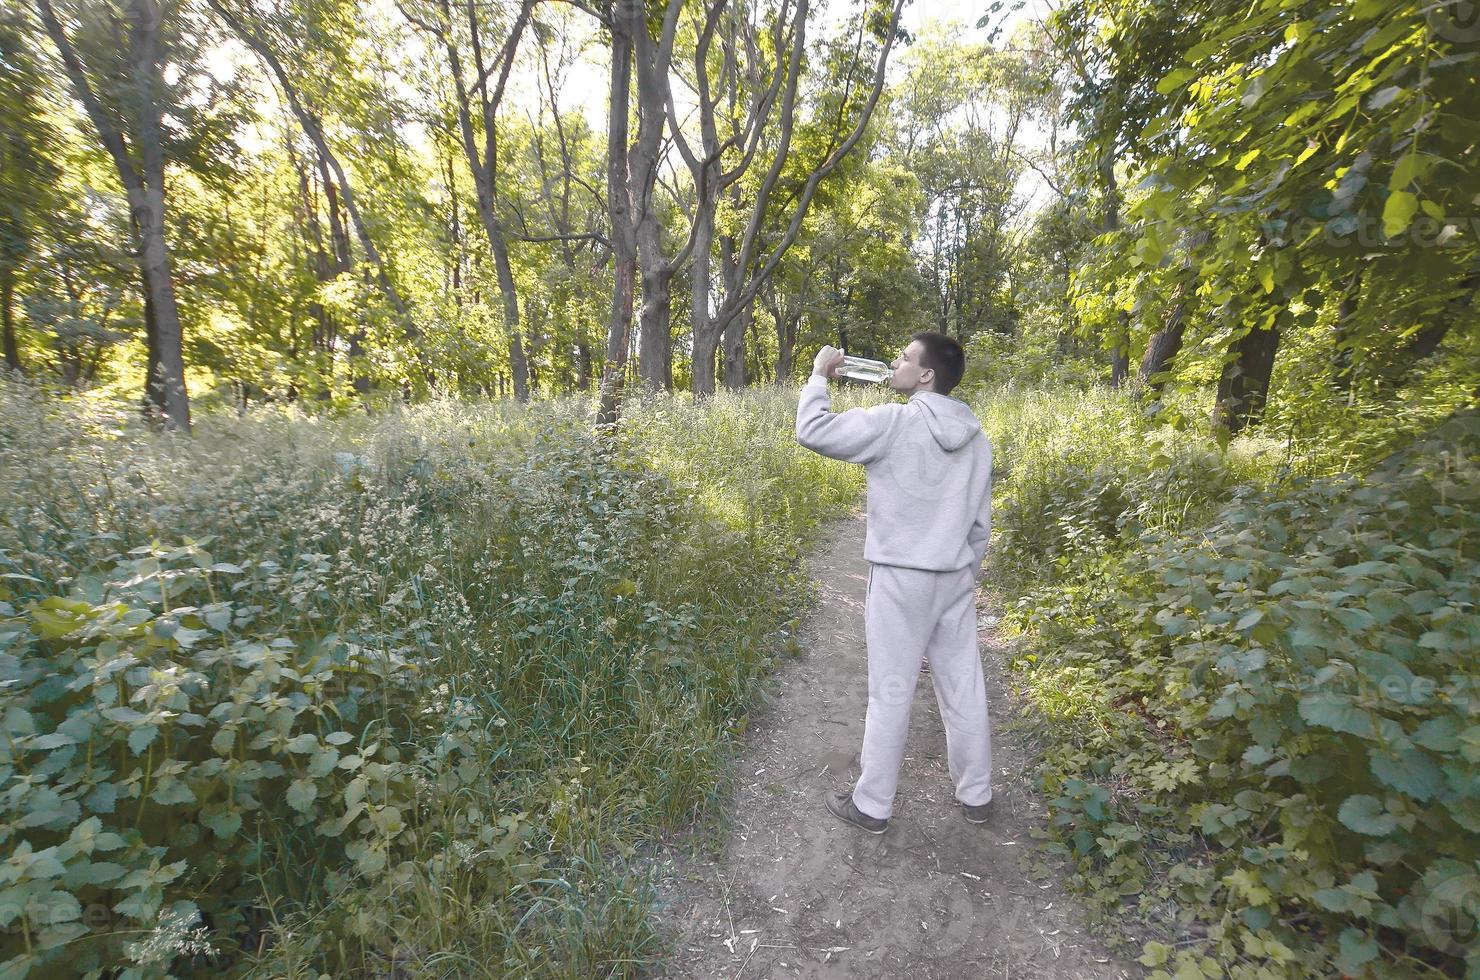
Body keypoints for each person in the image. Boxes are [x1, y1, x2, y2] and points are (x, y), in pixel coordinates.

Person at [795, 333, 994, 834]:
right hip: (952, 575)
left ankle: (873, 806)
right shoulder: (976, 436)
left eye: (905, 357)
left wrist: (820, 375)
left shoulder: (893, 421)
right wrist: (963, 569)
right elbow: (980, 524)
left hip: (901, 576)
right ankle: (977, 795)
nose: (895, 362)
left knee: (890, 690)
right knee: (963, 686)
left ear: (925, 375)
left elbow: (813, 429)